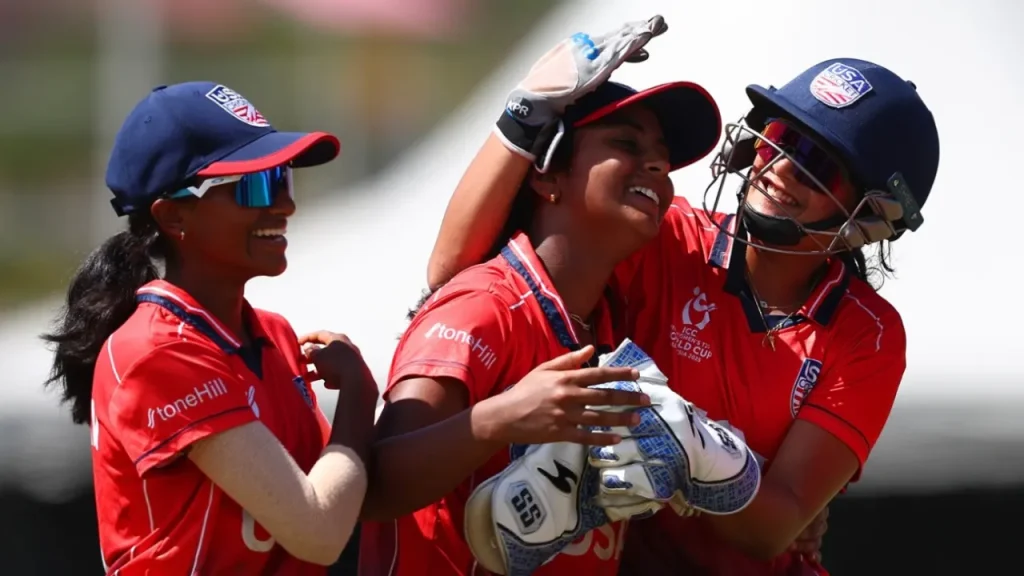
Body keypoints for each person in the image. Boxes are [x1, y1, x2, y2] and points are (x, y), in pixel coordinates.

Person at [424, 56, 940, 575]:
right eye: (780, 136)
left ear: (872, 215)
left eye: (816, 162)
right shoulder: (666, 237)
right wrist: (522, 115)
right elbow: (459, 272)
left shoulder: (866, 335)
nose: (781, 166)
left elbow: (773, 529)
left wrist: (690, 447)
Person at [355, 18, 729, 576]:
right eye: (626, 144)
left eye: (662, 157)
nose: (656, 164)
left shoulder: (611, 316)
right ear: (546, 176)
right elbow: (375, 487)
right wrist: (501, 419)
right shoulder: (482, 307)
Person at [42, 81, 378, 574]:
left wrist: (491, 421)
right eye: (256, 185)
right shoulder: (155, 352)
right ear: (175, 215)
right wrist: (360, 396)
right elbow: (319, 529)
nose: (284, 205)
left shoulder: (272, 335)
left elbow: (346, 483)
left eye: (283, 178)